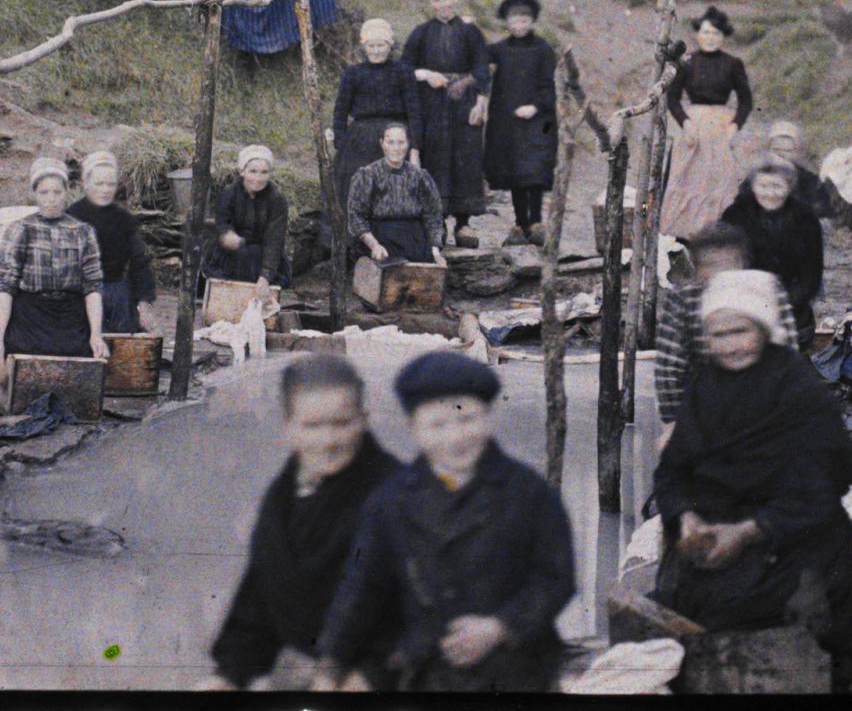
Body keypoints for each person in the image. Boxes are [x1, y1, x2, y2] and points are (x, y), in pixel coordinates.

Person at [651, 270, 852, 693]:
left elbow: (823, 485)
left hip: (787, 532)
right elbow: (673, 472)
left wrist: (749, 532)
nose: (730, 344)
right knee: (684, 603)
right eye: (719, 334)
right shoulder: (704, 385)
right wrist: (687, 518)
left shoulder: (798, 387)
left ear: (763, 328)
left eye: (740, 330)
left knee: (776, 607)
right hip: (715, 529)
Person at [317, 352, 576, 693]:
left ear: (488, 418)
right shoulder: (390, 501)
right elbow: (361, 588)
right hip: (426, 670)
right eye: (438, 424)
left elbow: (556, 578)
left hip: (520, 670)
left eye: (466, 419)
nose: (455, 437)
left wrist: (499, 627)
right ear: (414, 429)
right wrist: (331, 664)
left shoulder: (529, 492)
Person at [201, 355, 403, 691]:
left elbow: (423, 613)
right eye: (312, 426)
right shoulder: (284, 494)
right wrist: (228, 674)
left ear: (363, 420)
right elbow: (261, 594)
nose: (328, 441)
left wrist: (370, 676)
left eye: (342, 423)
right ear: (288, 427)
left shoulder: (395, 495)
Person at [654, 225, 800, 449]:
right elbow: (670, 365)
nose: (721, 273)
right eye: (711, 265)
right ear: (697, 269)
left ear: (744, 265)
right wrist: (673, 421)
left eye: (729, 265)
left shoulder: (767, 289)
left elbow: (788, 351)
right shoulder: (684, 298)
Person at [0, 158, 111, 392]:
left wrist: (96, 335)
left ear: (66, 193)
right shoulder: (21, 229)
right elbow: (6, 288)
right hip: (30, 317)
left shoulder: (82, 232)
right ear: (35, 194)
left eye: (56, 192)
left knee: (74, 375)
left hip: (70, 318)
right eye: (44, 192)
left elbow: (93, 287)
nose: (51, 199)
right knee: (22, 376)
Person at [401, 0, 490, 247]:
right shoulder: (421, 33)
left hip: (465, 105)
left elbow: (482, 66)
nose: (443, 4)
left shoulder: (470, 31)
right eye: (437, 0)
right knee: (435, 158)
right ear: (431, 4)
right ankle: (436, 223)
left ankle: (464, 225)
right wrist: (427, 75)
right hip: (432, 106)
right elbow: (404, 68)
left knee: (467, 157)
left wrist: (480, 100)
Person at [659, 5, 754, 240]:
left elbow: (745, 102)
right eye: (706, 32)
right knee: (686, 176)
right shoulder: (687, 61)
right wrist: (686, 123)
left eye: (716, 34)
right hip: (694, 125)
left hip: (721, 126)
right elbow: (672, 98)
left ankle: (715, 235)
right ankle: (682, 235)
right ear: (697, 34)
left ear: (723, 36)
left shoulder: (733, 64)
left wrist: (734, 126)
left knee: (720, 179)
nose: (710, 38)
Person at [718, 156, 826, 338]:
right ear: (753, 186)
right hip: (744, 301)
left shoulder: (806, 219)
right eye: (763, 186)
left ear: (789, 187)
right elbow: (724, 267)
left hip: (791, 304)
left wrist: (784, 304)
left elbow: (811, 276)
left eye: (777, 186)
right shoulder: (735, 215)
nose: (770, 193)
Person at [482, 0, 559, 247]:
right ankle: (519, 222)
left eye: (524, 20)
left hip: (537, 121)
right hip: (507, 122)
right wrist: (469, 28)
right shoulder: (501, 49)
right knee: (515, 172)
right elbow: (478, 53)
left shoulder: (543, 49)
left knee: (533, 172)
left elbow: (548, 87)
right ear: (507, 22)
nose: (519, 25)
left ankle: (536, 222)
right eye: (514, 20)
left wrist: (535, 107)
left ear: (532, 21)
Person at [329, 18, 424, 212]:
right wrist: (341, 143)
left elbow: (414, 112)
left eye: (381, 45)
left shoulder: (403, 72)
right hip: (360, 139)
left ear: (389, 46)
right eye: (371, 45)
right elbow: (340, 111)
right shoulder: (353, 73)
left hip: (395, 137)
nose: (376, 50)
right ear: (364, 46)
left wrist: (415, 149)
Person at [69, 151, 158, 334]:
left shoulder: (124, 219)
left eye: (110, 184)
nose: (105, 189)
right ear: (85, 184)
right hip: (80, 291)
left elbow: (139, 260)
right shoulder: (72, 217)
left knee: (122, 339)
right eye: (99, 184)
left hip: (116, 290)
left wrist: (144, 302)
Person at [345, 124, 445, 265]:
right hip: (380, 237)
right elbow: (356, 215)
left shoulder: (420, 176)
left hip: (413, 239)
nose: (396, 148)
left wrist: (435, 251)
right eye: (390, 142)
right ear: (382, 144)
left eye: (401, 142)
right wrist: (374, 245)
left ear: (408, 144)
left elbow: (433, 214)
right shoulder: (368, 174)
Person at [207, 145, 292, 298]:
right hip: (231, 253)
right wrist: (227, 235)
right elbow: (221, 223)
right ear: (242, 171)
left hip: (260, 254)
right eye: (253, 171)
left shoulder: (277, 199)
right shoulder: (229, 194)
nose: (258, 178)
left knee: (254, 257)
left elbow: (274, 239)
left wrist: (265, 276)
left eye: (264, 172)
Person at [735, 120, 828, 221]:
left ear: (797, 152)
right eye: (776, 149)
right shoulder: (755, 175)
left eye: (788, 150)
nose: (781, 154)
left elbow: (821, 208)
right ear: (768, 150)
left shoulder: (809, 180)